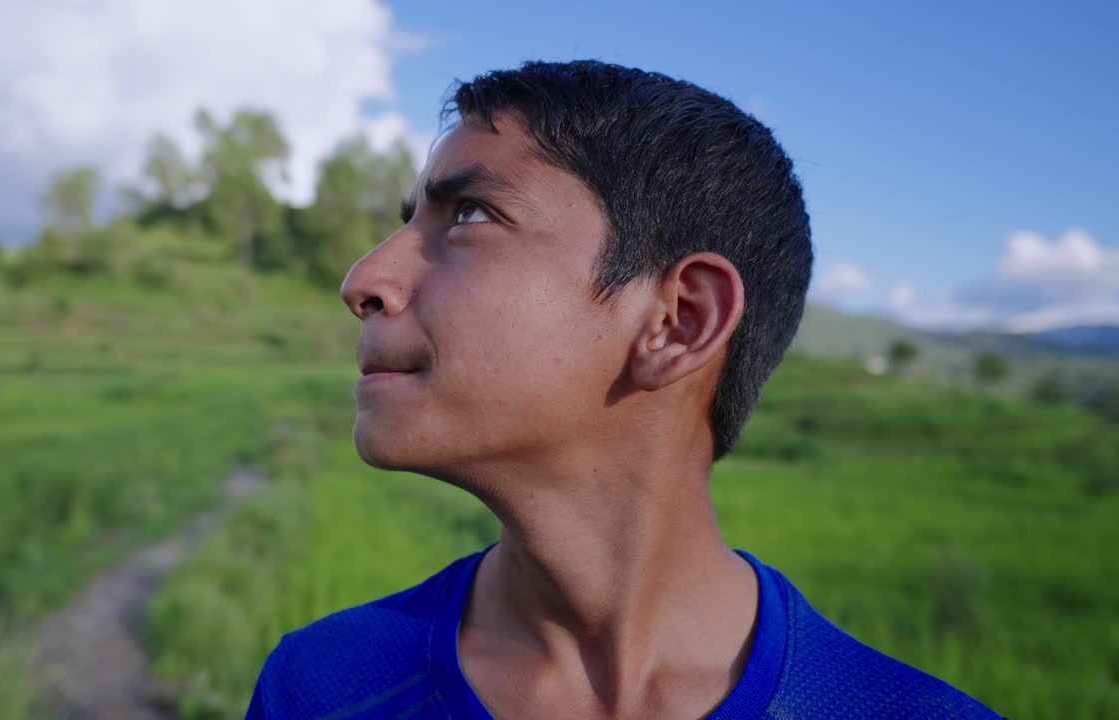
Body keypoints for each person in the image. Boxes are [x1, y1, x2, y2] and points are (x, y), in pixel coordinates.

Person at [245, 60, 1003, 719]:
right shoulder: (320, 688)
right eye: (411, 222)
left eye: (471, 214)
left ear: (678, 321)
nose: (363, 280)